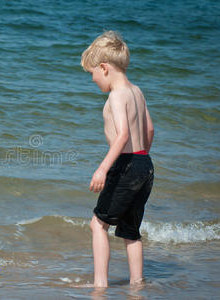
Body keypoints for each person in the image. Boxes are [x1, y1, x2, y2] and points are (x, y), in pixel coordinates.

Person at [80, 31, 155, 287]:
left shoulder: (116, 96)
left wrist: (102, 169)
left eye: (92, 73)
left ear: (104, 67)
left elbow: (122, 135)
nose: (92, 80)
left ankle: (100, 284)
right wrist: (142, 161)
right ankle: (137, 282)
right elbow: (149, 131)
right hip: (144, 163)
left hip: (125, 165)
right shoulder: (137, 91)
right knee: (130, 230)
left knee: (97, 225)